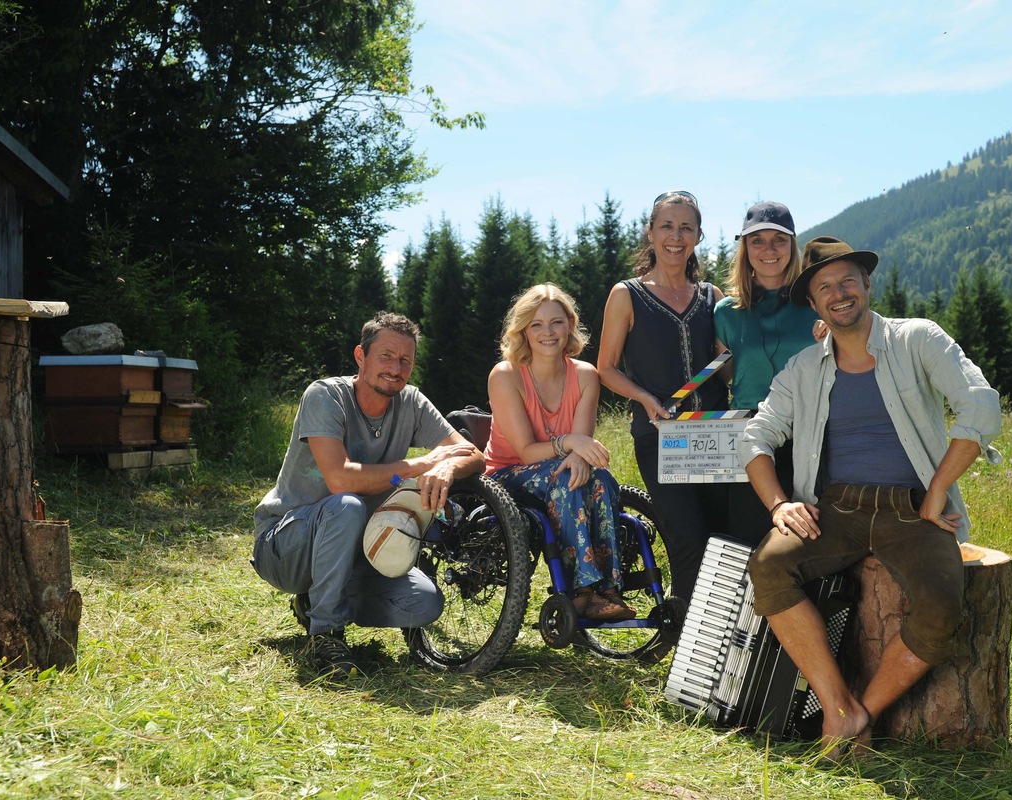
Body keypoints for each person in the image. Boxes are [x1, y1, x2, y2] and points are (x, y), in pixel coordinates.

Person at [741, 236, 1002, 757]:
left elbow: (981, 407)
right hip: (834, 506)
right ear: (813, 305)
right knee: (769, 566)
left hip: (913, 508)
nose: (838, 294)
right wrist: (778, 504)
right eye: (824, 288)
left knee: (942, 606)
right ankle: (839, 708)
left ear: (866, 285)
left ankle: (864, 710)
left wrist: (937, 490)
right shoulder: (803, 368)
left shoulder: (916, 339)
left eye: (847, 281)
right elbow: (755, 436)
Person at [251, 311, 484, 678]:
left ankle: (317, 602)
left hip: (355, 550)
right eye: (386, 356)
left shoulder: (412, 402)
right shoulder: (325, 395)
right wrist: (420, 464)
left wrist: (445, 468)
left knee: (424, 603)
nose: (396, 368)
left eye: (405, 360)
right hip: (285, 545)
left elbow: (472, 453)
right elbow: (341, 480)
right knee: (346, 505)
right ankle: (325, 633)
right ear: (361, 356)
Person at [598, 190, 729, 602]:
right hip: (662, 437)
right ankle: (685, 642)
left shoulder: (714, 298)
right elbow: (606, 368)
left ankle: (723, 635)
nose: (676, 236)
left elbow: (729, 363)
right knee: (688, 540)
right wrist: (643, 397)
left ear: (699, 235)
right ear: (650, 233)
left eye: (686, 227)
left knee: (725, 538)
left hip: (716, 434)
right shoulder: (627, 294)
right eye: (667, 226)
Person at [485, 284, 635, 620]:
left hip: (561, 468)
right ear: (523, 330)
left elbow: (583, 446)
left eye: (556, 322)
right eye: (536, 324)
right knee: (566, 478)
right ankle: (580, 592)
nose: (548, 332)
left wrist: (578, 451)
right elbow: (525, 452)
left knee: (602, 481)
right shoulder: (506, 375)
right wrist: (569, 444)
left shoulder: (585, 376)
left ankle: (608, 590)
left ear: (570, 324)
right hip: (506, 475)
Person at [714, 201, 822, 547]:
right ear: (744, 248)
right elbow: (724, 374)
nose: (768, 249)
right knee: (745, 541)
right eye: (757, 240)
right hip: (748, 438)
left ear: (793, 245)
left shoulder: (816, 302)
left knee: (808, 535)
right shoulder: (725, 312)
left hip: (811, 435)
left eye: (779, 239)